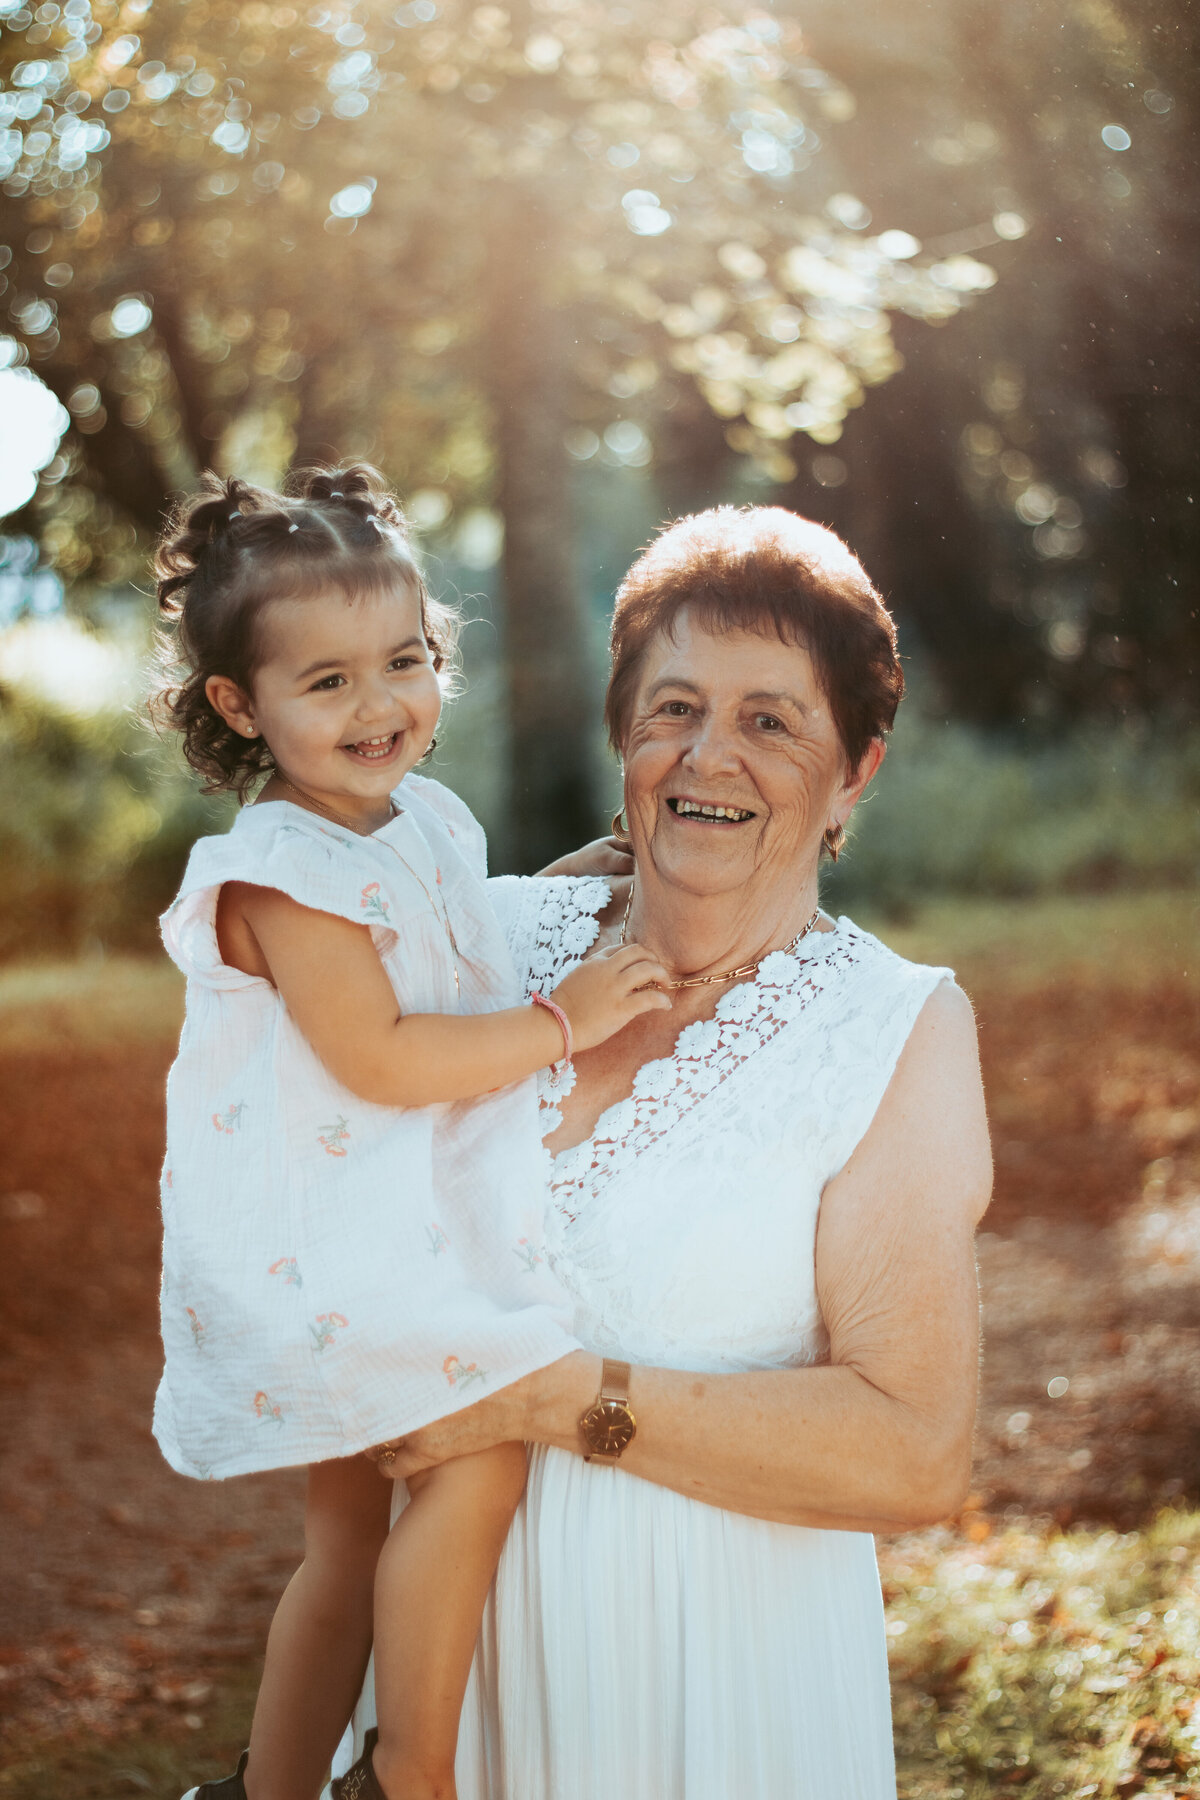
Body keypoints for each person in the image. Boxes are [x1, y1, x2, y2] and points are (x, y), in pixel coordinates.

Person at [340, 505, 993, 1799]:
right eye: (674, 707)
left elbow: (917, 1450)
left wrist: (548, 1396)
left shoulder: (890, 1030)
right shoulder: (479, 936)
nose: (710, 755)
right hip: (437, 1682)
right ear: (621, 733)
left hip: (718, 1691)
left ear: (856, 769)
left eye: (771, 720)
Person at [149, 464, 671, 1800]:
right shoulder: (284, 870)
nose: (380, 706)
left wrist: (567, 885)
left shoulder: (416, 816)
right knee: (479, 1455)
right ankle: (412, 1777)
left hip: (378, 1222)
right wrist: (565, 1020)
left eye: (405, 661)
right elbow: (381, 1056)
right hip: (332, 1243)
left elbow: (454, 941)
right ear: (239, 706)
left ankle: (274, 1789)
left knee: (342, 1536)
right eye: (326, 684)